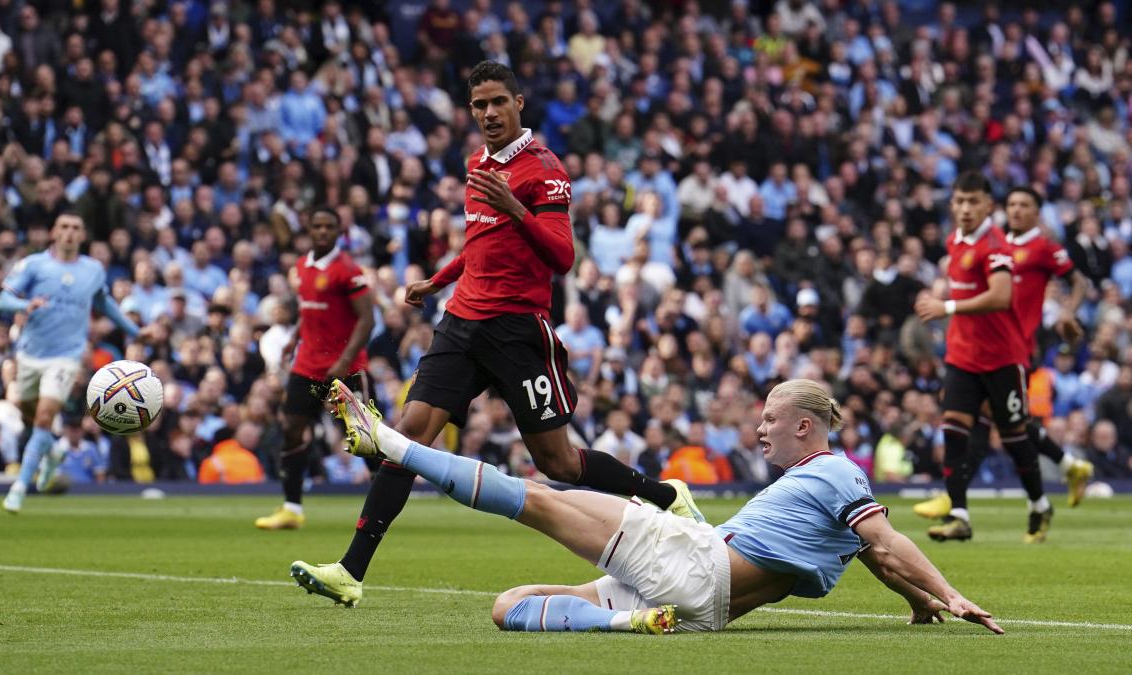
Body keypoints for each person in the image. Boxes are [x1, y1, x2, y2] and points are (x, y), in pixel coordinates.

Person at [296, 61, 703, 608]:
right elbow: (478, 243)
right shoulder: (477, 164)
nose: (488, 113)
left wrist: (516, 207)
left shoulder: (545, 170)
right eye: (479, 105)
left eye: (497, 103)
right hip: (462, 322)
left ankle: (664, 494)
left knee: (557, 464)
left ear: (519, 104)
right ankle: (350, 571)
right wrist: (437, 280)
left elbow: (562, 257)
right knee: (406, 438)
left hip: (517, 332)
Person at [291, 378, 1003, 636]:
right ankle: (628, 622)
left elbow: (887, 541)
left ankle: (386, 438)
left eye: (769, 418)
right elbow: (872, 552)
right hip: (699, 605)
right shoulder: (835, 491)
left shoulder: (836, 472)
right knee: (507, 605)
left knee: (537, 497)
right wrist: (917, 606)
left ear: (805, 427)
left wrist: (948, 590)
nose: (758, 428)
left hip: (694, 560)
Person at [913, 186, 1095, 521]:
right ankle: (1062, 474)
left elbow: (1079, 282)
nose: (1016, 210)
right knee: (997, 423)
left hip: (1016, 346)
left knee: (995, 425)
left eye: (1024, 205)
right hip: (982, 348)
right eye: (1012, 204)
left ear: (1037, 212)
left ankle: (959, 499)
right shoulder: (992, 241)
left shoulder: (1042, 247)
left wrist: (1068, 312)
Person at [915, 172, 1051, 543]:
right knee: (954, 428)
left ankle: (1039, 503)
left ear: (988, 205)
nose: (964, 209)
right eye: (959, 201)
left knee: (1014, 436)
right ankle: (959, 514)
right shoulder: (954, 241)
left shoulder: (995, 246)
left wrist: (946, 305)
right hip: (962, 355)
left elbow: (1001, 296)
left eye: (973, 201)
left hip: (1002, 358)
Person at [0, 213, 147, 514]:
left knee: (43, 419)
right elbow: (2, 301)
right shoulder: (34, 265)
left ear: (83, 236)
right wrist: (25, 305)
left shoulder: (92, 269)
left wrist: (136, 331)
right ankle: (52, 454)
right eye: (64, 227)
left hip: (66, 357)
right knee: (31, 420)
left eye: (75, 228)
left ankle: (19, 488)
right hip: (29, 354)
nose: (69, 233)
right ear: (54, 232)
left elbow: (103, 303)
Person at [254, 206, 375, 530]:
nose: (322, 231)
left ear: (338, 232)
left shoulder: (348, 270)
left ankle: (384, 501)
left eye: (328, 227)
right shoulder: (302, 266)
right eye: (317, 226)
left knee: (365, 439)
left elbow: (367, 320)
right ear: (309, 230)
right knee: (292, 429)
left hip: (344, 368)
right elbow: (309, 313)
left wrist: (344, 360)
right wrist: (294, 339)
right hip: (308, 366)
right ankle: (292, 508)